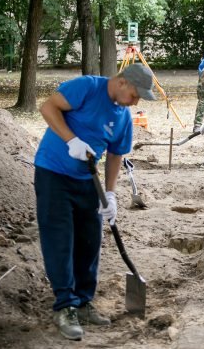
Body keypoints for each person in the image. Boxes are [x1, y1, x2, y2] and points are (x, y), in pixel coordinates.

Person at [33, 63, 156, 340]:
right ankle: (65, 306)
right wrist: (72, 140)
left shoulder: (123, 117)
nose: (136, 102)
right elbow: (48, 108)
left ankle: (84, 301)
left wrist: (110, 194)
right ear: (123, 82)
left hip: (88, 180)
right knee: (60, 239)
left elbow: (115, 155)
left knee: (90, 239)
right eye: (136, 95)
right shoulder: (87, 87)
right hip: (53, 173)